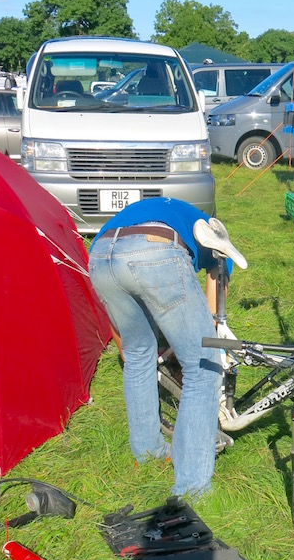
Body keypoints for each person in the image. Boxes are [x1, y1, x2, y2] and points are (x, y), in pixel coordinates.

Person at [87, 197, 247, 499]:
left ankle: (148, 454)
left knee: (137, 358)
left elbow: (123, 340)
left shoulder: (169, 211)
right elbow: (213, 316)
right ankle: (192, 487)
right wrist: (209, 345)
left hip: (100, 255)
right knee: (203, 368)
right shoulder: (214, 233)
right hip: (155, 247)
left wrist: (131, 348)